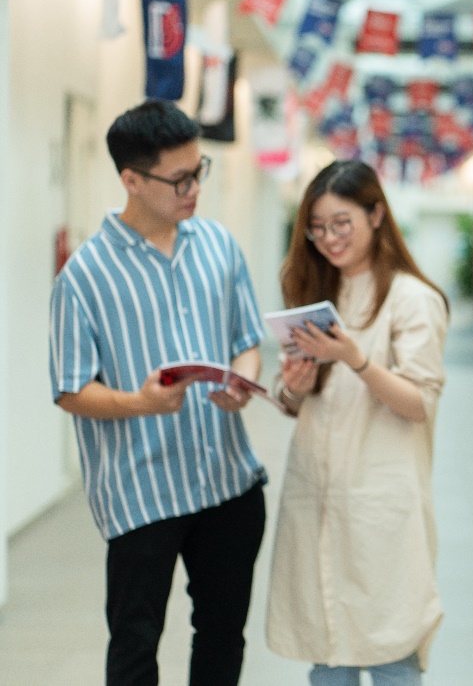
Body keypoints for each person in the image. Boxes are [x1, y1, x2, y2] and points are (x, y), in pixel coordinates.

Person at [48, 100, 268, 686]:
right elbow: (71, 390)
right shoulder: (84, 277)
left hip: (227, 481)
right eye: (180, 179)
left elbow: (248, 338)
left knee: (223, 637)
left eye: (200, 172)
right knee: (135, 646)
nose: (194, 188)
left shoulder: (218, 245)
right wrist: (140, 402)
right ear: (132, 180)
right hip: (141, 491)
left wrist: (241, 380)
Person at [265, 159, 449, 686]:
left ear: (375, 214)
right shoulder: (314, 294)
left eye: (340, 223)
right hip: (317, 493)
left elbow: (419, 403)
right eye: (317, 227)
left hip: (382, 502)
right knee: (327, 654)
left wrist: (355, 357)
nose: (328, 239)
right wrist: (293, 390)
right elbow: (304, 402)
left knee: (391, 651)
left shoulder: (412, 299)